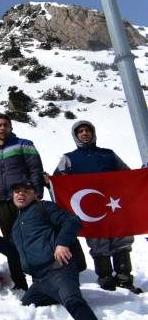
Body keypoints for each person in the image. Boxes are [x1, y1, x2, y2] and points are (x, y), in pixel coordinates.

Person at [0, 181, 101, 320]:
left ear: (35, 195)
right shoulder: (16, 226)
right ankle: (58, 295)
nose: (20, 193)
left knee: (73, 301)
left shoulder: (44, 208)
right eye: (17, 191)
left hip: (59, 270)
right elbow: (15, 252)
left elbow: (72, 221)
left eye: (26, 190)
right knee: (27, 305)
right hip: (39, 282)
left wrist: (62, 243)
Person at [53, 120, 141, 293]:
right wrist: (50, 180)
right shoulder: (69, 158)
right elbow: (59, 180)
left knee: (121, 239)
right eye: (81, 131)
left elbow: (127, 174)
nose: (85, 133)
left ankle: (124, 277)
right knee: (98, 241)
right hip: (90, 210)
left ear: (93, 133)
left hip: (115, 207)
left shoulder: (109, 154)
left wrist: (141, 174)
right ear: (75, 135)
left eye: (87, 130)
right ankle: (105, 277)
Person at [0, 114, 44, 291]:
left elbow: (35, 170)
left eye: (5, 125)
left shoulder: (24, 144)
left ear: (11, 127)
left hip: (23, 200)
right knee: (11, 243)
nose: (2, 128)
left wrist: (37, 193)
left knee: (30, 240)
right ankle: (19, 283)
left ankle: (41, 280)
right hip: (1, 203)